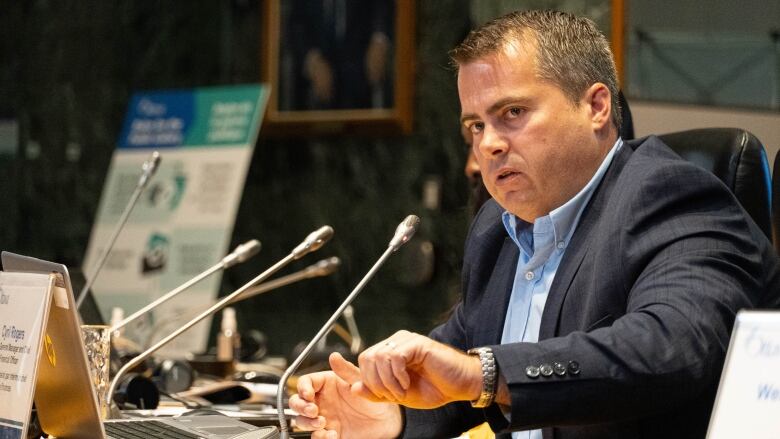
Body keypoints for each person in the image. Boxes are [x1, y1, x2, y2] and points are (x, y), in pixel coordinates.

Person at [289, 10, 780, 439]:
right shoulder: (497, 230)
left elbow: (665, 348)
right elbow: (454, 370)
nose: (489, 145)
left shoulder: (673, 197)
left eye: (513, 113)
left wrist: (480, 373)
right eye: (476, 125)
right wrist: (389, 414)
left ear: (596, 106)